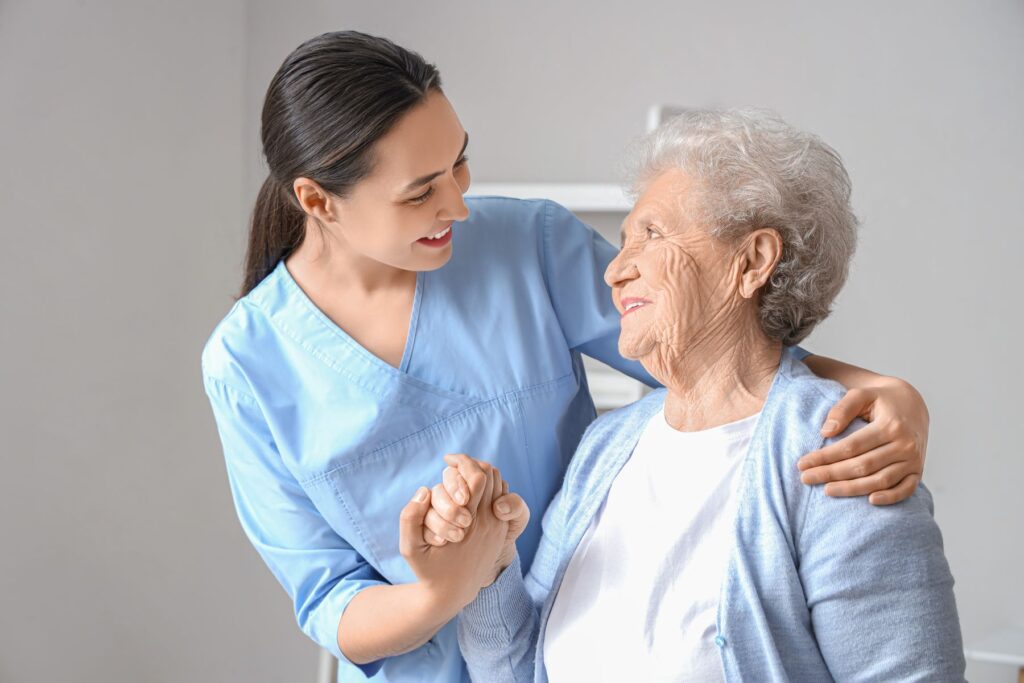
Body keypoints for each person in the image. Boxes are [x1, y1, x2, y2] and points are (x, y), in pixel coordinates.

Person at [201, 32, 933, 682]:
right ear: (318, 201)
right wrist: (450, 584)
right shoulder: (246, 365)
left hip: (601, 634)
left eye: (459, 164)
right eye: (421, 191)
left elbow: (712, 358)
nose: (458, 205)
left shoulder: (528, 245)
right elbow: (328, 595)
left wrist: (881, 389)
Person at [406, 108, 964, 681]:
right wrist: (489, 565)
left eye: (650, 234)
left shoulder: (842, 455)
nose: (615, 271)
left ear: (750, 262)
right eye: (622, 243)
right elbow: (516, 669)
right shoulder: (607, 446)